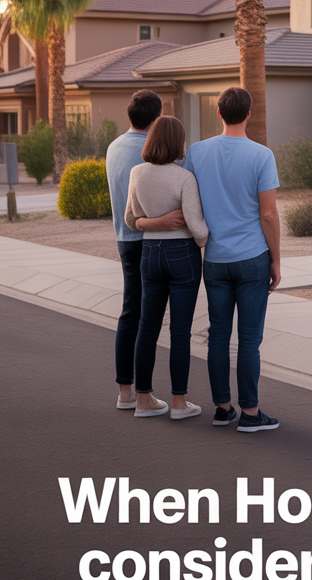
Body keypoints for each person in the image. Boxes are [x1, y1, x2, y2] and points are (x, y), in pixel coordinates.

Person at [184, 87, 281, 431]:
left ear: (220, 113)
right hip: (252, 257)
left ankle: (223, 409)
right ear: (249, 114)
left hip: (214, 258)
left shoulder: (196, 152)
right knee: (250, 339)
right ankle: (251, 414)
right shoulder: (262, 155)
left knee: (219, 334)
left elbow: (188, 200)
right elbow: (268, 214)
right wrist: (276, 260)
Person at [105, 90, 185, 411]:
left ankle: (125, 392)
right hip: (152, 240)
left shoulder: (113, 148)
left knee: (130, 313)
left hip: (124, 239)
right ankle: (145, 395)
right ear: (156, 120)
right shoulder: (154, 151)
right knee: (149, 320)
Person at [124, 116, 209, 420]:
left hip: (149, 253)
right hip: (181, 255)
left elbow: (130, 220)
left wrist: (152, 224)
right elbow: (198, 228)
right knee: (180, 331)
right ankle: (179, 403)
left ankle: (144, 400)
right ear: (177, 142)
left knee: (147, 327)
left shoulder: (137, 173)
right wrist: (207, 239)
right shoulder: (184, 177)